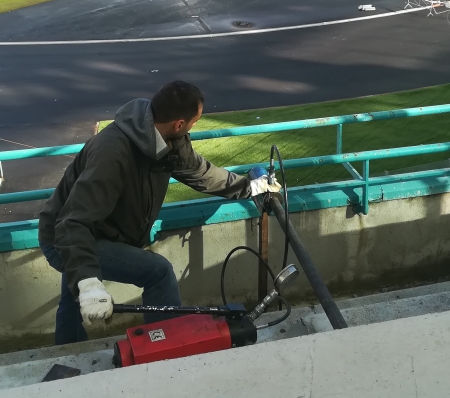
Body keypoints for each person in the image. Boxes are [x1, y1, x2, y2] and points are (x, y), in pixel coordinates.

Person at [38, 81, 280, 344]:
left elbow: (200, 173)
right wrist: (88, 282)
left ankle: (67, 352)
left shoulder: (168, 140)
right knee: (158, 272)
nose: (193, 127)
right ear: (179, 123)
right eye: (194, 121)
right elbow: (73, 223)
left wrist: (250, 186)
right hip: (66, 237)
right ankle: (169, 351)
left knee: (73, 294)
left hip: (88, 233)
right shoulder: (112, 153)